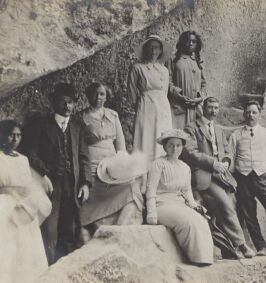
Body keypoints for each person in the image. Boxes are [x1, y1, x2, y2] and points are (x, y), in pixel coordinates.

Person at [24, 83, 92, 264]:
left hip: (73, 183)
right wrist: (43, 174)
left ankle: (66, 268)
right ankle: (49, 267)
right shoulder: (41, 125)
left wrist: (85, 183)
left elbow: (84, 156)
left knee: (69, 229)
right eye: (63, 102)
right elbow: (31, 153)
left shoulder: (77, 127)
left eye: (70, 102)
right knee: (49, 229)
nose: (67, 106)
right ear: (54, 103)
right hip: (51, 184)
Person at [182, 97, 255, 258]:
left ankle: (228, 250)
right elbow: (190, 153)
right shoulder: (191, 128)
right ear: (203, 108)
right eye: (210, 107)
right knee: (225, 204)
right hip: (203, 175)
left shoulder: (219, 130)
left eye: (216, 108)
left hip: (221, 175)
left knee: (233, 203)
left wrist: (226, 162)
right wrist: (213, 163)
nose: (213, 111)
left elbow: (228, 151)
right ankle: (242, 246)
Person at [77, 83, 145, 238]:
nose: (98, 98)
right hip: (93, 165)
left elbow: (120, 147)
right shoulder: (81, 118)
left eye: (102, 94)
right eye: (95, 94)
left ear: (106, 97)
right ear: (88, 96)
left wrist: (124, 167)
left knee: (132, 187)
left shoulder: (113, 116)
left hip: (113, 166)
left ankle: (122, 230)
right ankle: (94, 224)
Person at [145, 129, 213, 265]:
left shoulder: (185, 167)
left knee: (201, 220)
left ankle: (204, 259)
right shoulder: (158, 164)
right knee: (187, 222)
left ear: (182, 147)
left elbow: (187, 190)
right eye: (171, 145)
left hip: (180, 204)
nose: (174, 149)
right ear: (165, 146)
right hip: (162, 204)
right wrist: (151, 211)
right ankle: (196, 259)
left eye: (178, 145)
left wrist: (194, 205)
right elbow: (150, 189)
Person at [230, 101, 266, 256]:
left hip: (263, 177)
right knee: (249, 215)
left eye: (254, 112)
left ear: (259, 114)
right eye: (248, 112)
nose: (251, 115)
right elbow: (232, 156)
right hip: (243, 178)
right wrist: (235, 175)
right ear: (244, 114)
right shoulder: (236, 135)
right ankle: (261, 247)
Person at [0, 120, 51, 282]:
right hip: (4, 204)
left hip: (22, 206)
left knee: (26, 246)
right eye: (11, 135)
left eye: (18, 135)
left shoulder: (23, 159)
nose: (15, 139)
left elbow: (28, 184)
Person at [127, 35, 173, 161]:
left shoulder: (164, 70)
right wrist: (140, 107)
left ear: (161, 50)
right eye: (151, 48)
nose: (154, 51)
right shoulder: (137, 68)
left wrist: (161, 105)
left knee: (162, 136)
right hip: (146, 106)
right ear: (145, 49)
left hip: (162, 107)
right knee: (145, 137)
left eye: (157, 48)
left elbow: (164, 92)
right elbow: (131, 94)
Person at [166, 30, 207, 129]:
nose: (190, 43)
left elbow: (204, 84)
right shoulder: (173, 60)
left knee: (194, 139)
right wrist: (179, 95)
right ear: (182, 42)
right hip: (178, 107)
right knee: (179, 137)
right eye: (188, 40)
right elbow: (168, 81)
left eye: (194, 41)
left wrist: (200, 98)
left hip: (196, 108)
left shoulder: (198, 62)